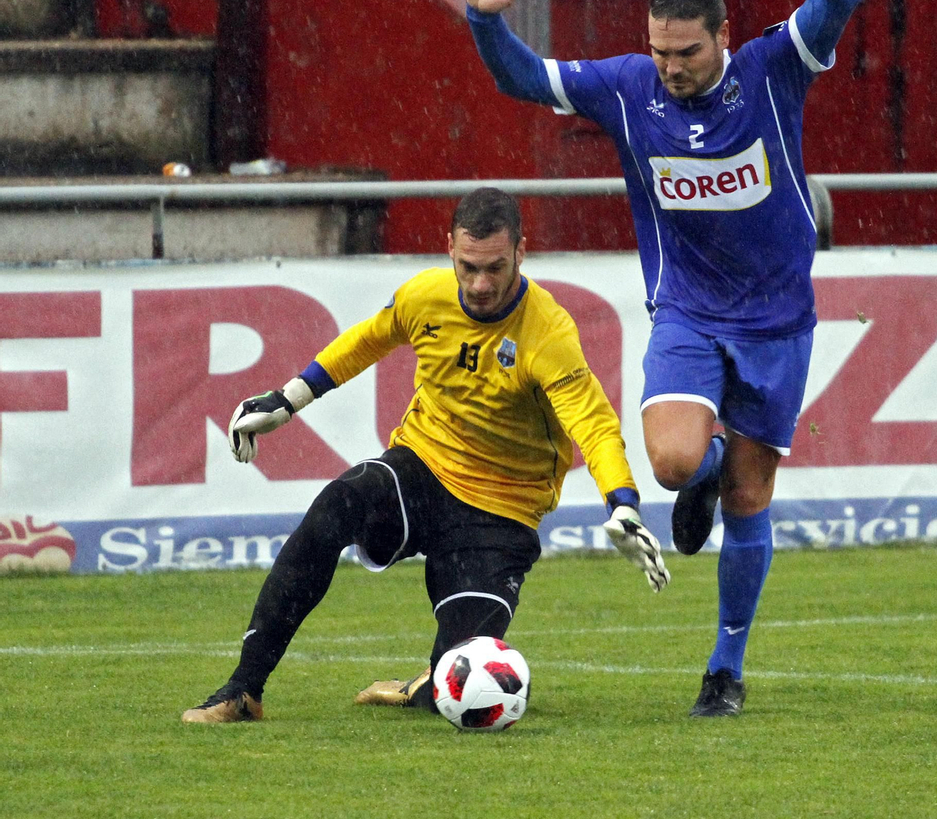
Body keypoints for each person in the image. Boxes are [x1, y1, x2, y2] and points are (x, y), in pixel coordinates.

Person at [459, 0, 861, 716]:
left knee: (752, 495)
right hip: (687, 310)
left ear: (722, 36)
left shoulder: (773, 68)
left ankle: (725, 668)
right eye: (659, 51)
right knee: (676, 465)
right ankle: (706, 463)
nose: (670, 67)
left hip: (780, 320)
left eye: (685, 51)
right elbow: (524, 78)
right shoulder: (627, 87)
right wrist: (487, 18)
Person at [181, 188, 668, 723]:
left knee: (459, 685)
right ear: (450, 251)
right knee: (334, 508)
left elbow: (594, 425)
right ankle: (243, 690)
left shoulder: (548, 332)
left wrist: (622, 504)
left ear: (521, 255)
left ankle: (425, 685)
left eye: (495, 269)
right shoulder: (425, 296)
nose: (480, 284)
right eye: (468, 267)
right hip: (424, 468)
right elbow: (368, 339)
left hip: (502, 511)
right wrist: (289, 399)